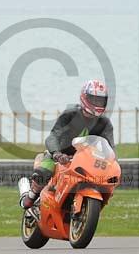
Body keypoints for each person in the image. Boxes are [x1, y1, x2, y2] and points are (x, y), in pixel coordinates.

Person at [20, 79, 115, 209]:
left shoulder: (105, 124)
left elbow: (110, 149)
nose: (96, 103)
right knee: (44, 172)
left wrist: (110, 165)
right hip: (59, 156)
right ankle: (30, 197)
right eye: (93, 99)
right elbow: (53, 136)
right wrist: (57, 154)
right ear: (85, 97)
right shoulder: (70, 114)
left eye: (100, 100)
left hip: (85, 160)